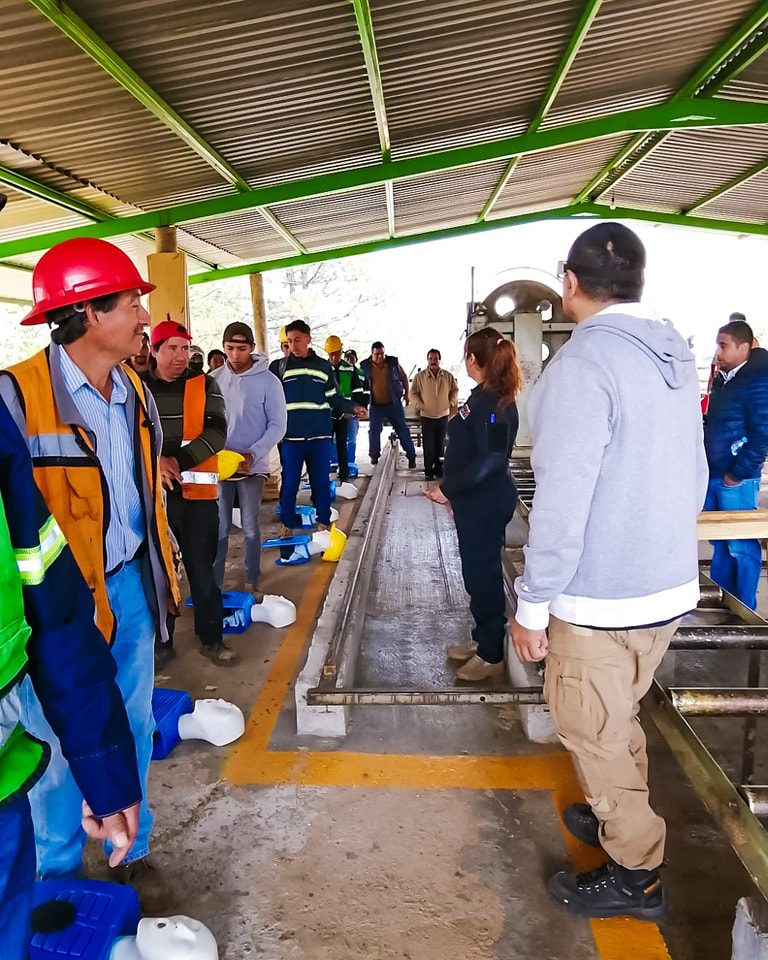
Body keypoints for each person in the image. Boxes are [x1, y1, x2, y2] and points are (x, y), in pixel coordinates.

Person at [510, 223, 707, 921]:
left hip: (602, 600)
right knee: (616, 714)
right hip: (666, 586)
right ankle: (615, 810)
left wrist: (532, 607)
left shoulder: (582, 366)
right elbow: (696, 471)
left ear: (569, 283)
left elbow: (562, 503)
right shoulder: (675, 353)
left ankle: (637, 873)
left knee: (590, 727)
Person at [0, 237, 179, 908]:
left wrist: (162, 581)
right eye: (131, 301)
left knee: (130, 720)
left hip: (128, 584)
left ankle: (128, 842)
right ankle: (54, 869)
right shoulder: (16, 397)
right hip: (54, 612)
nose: (142, 315)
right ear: (87, 314)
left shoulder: (133, 388)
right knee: (49, 742)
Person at [425, 329, 520, 681]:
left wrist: (449, 488)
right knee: (474, 574)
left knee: (482, 576)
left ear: (472, 359)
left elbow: (493, 460)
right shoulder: (481, 397)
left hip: (485, 502)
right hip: (474, 501)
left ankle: (491, 653)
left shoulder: (495, 404)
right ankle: (483, 637)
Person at [142, 320, 233, 664]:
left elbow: (217, 435)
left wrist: (173, 461)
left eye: (186, 348)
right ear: (154, 350)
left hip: (197, 497)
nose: (181, 356)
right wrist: (156, 462)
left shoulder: (204, 383)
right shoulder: (137, 386)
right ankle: (163, 640)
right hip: (153, 497)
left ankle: (211, 638)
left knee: (201, 569)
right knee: (157, 572)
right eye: (172, 348)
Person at [213, 322, 286, 597]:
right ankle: (215, 585)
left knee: (250, 526)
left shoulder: (269, 382)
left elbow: (278, 425)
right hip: (221, 465)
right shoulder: (215, 378)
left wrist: (253, 453)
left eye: (241, 349)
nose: (235, 355)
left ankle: (252, 580)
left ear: (252, 348)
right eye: (230, 348)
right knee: (219, 528)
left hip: (252, 466)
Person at [272, 320, 366, 535]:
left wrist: (354, 407)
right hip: (292, 439)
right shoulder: (279, 368)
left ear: (308, 339)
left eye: (297, 340)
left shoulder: (323, 366)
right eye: (289, 341)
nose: (293, 345)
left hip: (320, 437)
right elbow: (269, 401)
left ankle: (323, 522)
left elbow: (335, 399)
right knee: (290, 483)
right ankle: (287, 523)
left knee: (321, 482)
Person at [703, 319, 768, 609]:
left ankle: (745, 607)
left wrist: (737, 473)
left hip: (735, 478)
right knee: (720, 543)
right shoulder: (724, 378)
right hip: (715, 472)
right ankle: (725, 604)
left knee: (739, 545)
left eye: (723, 345)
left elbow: (763, 432)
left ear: (744, 347)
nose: (717, 352)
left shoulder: (758, 379)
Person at [361, 342, 416, 467]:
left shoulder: (392, 363)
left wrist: (407, 394)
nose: (380, 357)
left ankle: (411, 456)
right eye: (377, 354)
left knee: (402, 429)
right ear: (372, 354)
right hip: (376, 405)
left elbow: (404, 377)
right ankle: (374, 456)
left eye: (382, 354)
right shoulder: (364, 366)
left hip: (393, 404)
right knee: (374, 431)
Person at [325, 335, 368, 482]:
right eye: (331, 354)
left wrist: (353, 410)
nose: (334, 357)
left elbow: (358, 392)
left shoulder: (350, 369)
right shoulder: (323, 369)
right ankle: (323, 477)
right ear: (327, 353)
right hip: (327, 415)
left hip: (344, 414)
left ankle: (344, 477)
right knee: (325, 446)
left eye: (337, 353)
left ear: (341, 351)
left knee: (343, 445)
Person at [411, 349, 458, 480]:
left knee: (440, 444)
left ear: (439, 360)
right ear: (427, 360)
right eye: (431, 359)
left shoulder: (448, 376)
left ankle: (439, 470)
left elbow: (454, 390)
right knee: (429, 445)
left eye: (436, 358)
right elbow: (413, 393)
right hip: (427, 416)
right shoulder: (420, 377)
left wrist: (451, 402)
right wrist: (419, 405)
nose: (433, 361)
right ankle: (428, 471)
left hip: (443, 416)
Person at [343, 349, 368, 465]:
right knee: (336, 438)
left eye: (352, 358)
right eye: (347, 358)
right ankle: (334, 462)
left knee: (352, 438)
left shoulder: (361, 373)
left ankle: (350, 461)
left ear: (356, 359)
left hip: (354, 411)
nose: (349, 360)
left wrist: (362, 407)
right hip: (341, 411)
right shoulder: (340, 372)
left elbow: (366, 392)